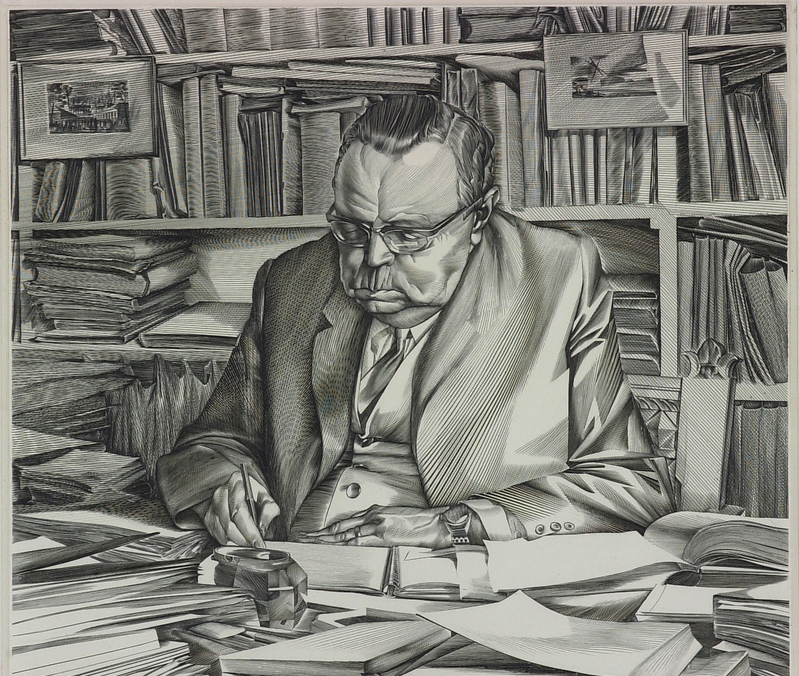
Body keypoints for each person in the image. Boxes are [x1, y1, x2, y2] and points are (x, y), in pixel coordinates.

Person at [156, 95, 672, 550]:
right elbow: (210, 444)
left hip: (456, 585)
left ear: (478, 218)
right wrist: (224, 487)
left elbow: (634, 487)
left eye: (408, 235)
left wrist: (459, 524)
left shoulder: (557, 274)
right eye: (351, 229)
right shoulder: (291, 280)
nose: (372, 259)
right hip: (296, 568)